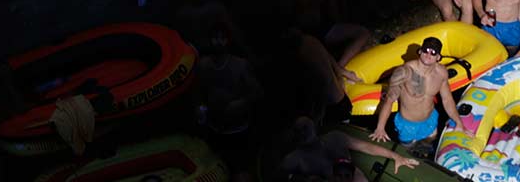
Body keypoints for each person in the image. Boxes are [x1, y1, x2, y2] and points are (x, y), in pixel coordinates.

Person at [369, 37, 462, 150]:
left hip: (430, 119)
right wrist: (380, 128)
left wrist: (458, 122)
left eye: (433, 53)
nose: (428, 55)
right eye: (426, 50)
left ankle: (426, 151)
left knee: (430, 141)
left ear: (438, 57)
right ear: (420, 51)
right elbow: (389, 100)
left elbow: (447, 99)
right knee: (408, 148)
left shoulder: (441, 73)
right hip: (408, 125)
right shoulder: (403, 73)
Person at [281, 116, 419, 177]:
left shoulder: (335, 138)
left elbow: (366, 147)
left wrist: (396, 156)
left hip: (351, 176)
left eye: (305, 127)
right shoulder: (293, 159)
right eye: (299, 130)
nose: (303, 132)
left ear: (314, 127)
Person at [194, 24, 264, 137]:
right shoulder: (203, 64)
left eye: (223, 38)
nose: (219, 41)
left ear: (228, 40)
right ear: (210, 40)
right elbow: (198, 91)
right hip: (213, 126)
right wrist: (200, 107)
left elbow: (257, 92)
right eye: (215, 38)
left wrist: (241, 103)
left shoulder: (240, 65)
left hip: (238, 127)